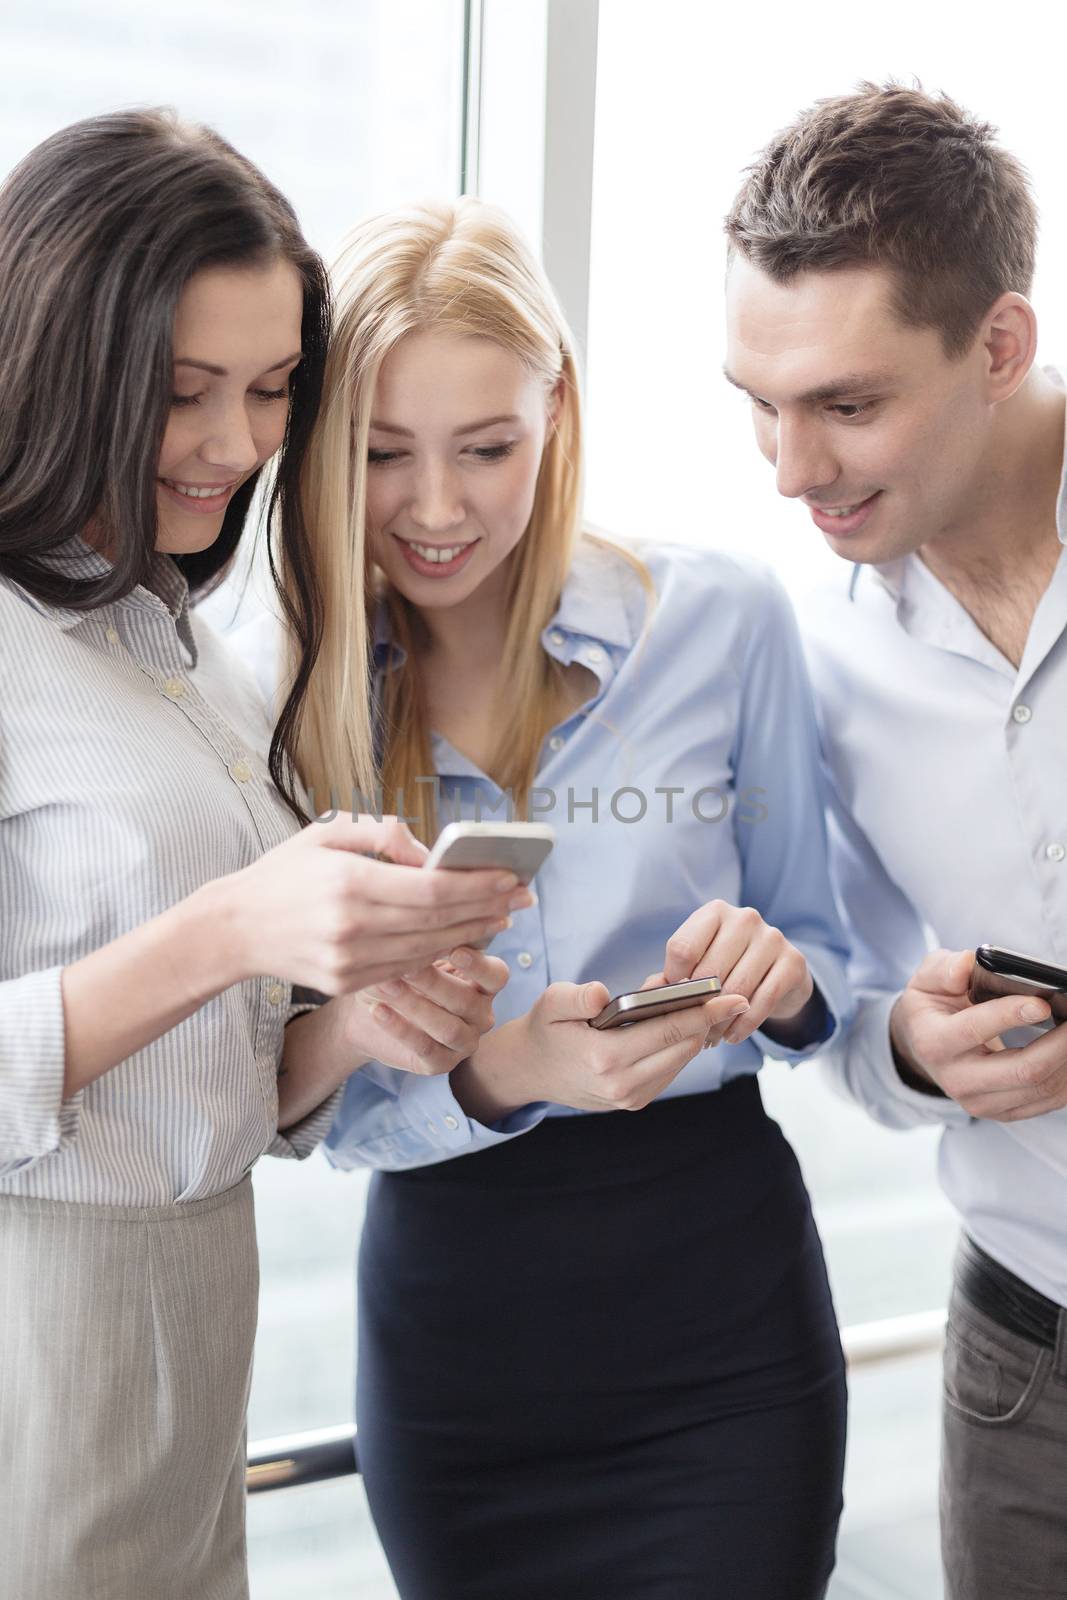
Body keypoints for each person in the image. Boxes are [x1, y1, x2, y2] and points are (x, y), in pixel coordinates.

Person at [271, 197, 855, 1600]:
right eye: (380, 453)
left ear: (560, 414)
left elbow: (826, 957)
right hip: (460, 1362)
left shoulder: (723, 617)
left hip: (725, 1330)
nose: (435, 508)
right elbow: (281, 1102)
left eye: (489, 448)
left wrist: (771, 980)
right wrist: (501, 1071)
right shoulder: (287, 707)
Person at [0, 113, 530, 1600]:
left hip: (194, 1296)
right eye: (182, 394)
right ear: (58, 360)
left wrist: (347, 1023)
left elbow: (199, 1079)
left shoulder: (180, 647)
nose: (235, 446)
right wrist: (235, 927)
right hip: (38, 1324)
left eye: (274, 389)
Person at [724, 83, 1067, 1600]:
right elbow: (847, 1004)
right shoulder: (814, 653)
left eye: (846, 407)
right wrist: (917, 1056)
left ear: (999, 347)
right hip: (1024, 1366)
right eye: (759, 403)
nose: (792, 471)